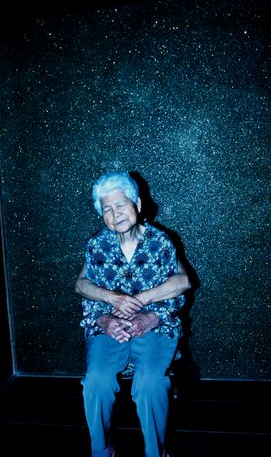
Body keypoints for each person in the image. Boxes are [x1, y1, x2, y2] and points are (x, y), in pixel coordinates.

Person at [75, 171, 191, 457]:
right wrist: (105, 318)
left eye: (121, 205)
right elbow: (84, 289)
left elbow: (180, 288)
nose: (115, 214)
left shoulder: (161, 243)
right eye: (107, 209)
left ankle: (157, 452)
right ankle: (101, 450)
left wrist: (149, 315)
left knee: (150, 383)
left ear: (137, 204)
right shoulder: (96, 245)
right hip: (109, 327)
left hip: (153, 324)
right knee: (96, 382)